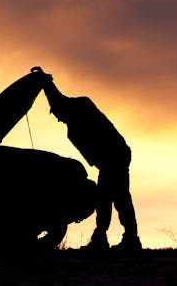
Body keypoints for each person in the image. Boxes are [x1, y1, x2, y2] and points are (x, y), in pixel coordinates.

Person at [36, 68, 141, 252]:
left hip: (115, 156)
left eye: (58, 115)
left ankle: (126, 239)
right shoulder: (72, 126)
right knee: (107, 198)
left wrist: (46, 84)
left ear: (63, 109)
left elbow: (58, 99)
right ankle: (106, 238)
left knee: (118, 197)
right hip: (110, 160)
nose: (59, 120)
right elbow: (59, 102)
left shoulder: (82, 106)